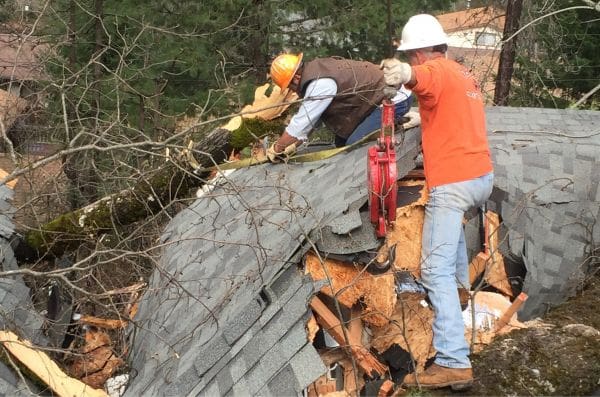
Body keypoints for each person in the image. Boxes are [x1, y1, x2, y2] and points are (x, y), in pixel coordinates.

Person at [380, 14, 494, 390]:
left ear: (423, 52)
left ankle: (453, 362)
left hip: (455, 181)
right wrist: (420, 114)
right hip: (480, 177)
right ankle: (460, 292)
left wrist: (403, 74)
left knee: (433, 271)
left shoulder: (433, 71)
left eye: (411, 56)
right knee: (452, 243)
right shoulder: (463, 74)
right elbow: (441, 101)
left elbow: (423, 78)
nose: (413, 63)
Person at [266, 53, 413, 162]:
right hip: (374, 101)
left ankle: (400, 126)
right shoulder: (316, 73)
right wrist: (293, 145)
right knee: (341, 143)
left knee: (354, 146)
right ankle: (391, 126)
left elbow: (302, 123)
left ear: (296, 78)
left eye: (290, 87)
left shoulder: (319, 85)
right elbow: (312, 122)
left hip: (394, 98)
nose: (293, 91)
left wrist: (277, 148)